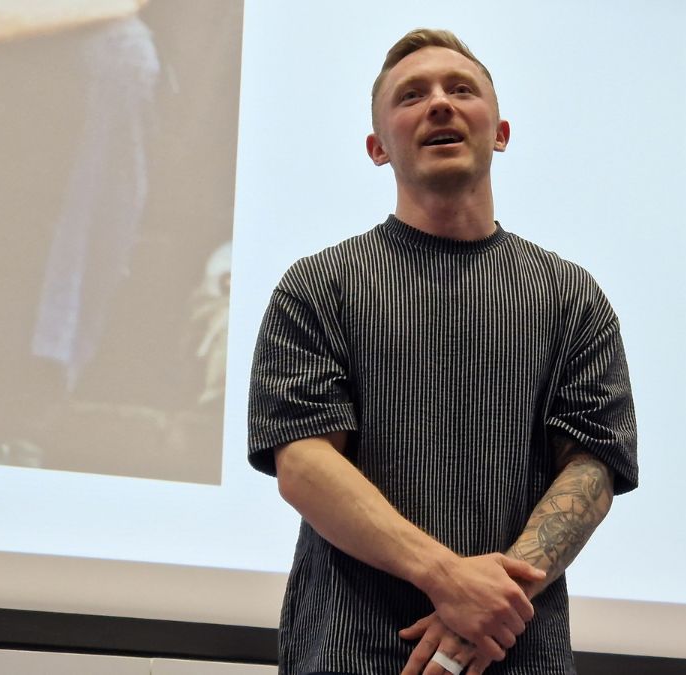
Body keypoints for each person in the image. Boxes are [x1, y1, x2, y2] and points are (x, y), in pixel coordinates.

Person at [247, 28, 638, 675]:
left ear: (501, 133)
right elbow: (305, 464)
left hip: (517, 657)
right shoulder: (319, 286)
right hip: (347, 653)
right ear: (377, 148)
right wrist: (450, 579)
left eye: (461, 89)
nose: (438, 104)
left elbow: (591, 470)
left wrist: (485, 609)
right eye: (411, 96)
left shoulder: (571, 296)